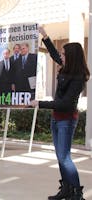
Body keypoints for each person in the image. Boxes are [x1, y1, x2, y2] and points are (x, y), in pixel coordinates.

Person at [30, 26, 90, 200]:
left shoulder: (77, 77)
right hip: (56, 120)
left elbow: (64, 104)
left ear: (70, 57)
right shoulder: (66, 66)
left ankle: (77, 193)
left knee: (65, 158)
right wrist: (45, 35)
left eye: (63, 54)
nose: (60, 57)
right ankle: (66, 190)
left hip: (66, 121)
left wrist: (39, 103)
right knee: (60, 157)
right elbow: (54, 54)